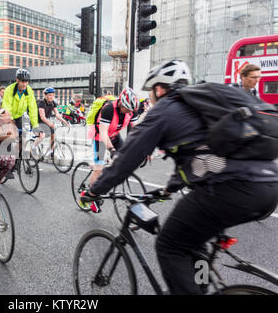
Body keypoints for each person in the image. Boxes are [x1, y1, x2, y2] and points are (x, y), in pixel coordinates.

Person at [81, 59, 278, 294]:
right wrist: (167, 190)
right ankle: (201, 285)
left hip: (232, 189)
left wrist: (95, 190)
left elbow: (126, 160)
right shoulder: (202, 104)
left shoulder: (165, 110)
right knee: (195, 243)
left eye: (152, 92)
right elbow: (199, 156)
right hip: (268, 186)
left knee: (169, 244)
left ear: (160, 88)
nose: (151, 99)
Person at [84, 88, 141, 213]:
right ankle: (90, 195)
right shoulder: (108, 109)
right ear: (120, 103)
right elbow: (103, 133)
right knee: (98, 168)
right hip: (99, 137)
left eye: (131, 110)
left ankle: (108, 178)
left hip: (114, 136)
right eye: (127, 109)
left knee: (124, 160)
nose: (129, 112)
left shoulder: (131, 111)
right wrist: (112, 150)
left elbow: (137, 130)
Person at [2, 68, 39, 134]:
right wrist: (10, 123)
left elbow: (33, 108)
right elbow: (6, 108)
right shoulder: (9, 90)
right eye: (22, 81)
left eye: (26, 81)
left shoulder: (29, 90)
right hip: (9, 117)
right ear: (17, 80)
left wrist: (35, 125)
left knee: (22, 137)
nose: (24, 84)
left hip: (19, 117)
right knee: (9, 138)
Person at [35, 87, 70, 157]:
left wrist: (65, 122)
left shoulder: (53, 103)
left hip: (45, 122)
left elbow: (57, 115)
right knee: (41, 136)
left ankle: (51, 151)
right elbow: (42, 117)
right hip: (37, 122)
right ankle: (34, 147)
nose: (51, 97)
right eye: (49, 95)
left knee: (52, 134)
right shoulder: (41, 103)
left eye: (53, 95)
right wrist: (51, 124)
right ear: (45, 95)